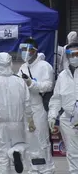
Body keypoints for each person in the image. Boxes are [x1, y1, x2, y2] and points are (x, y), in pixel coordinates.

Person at [0, 52, 35, 174]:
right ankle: (15, 153)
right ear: (10, 64)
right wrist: (30, 121)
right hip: (17, 123)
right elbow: (27, 103)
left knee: (2, 154)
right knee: (18, 146)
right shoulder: (20, 82)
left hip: (0, 125)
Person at [17, 39, 55, 174]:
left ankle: (46, 169)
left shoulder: (45, 66)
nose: (25, 53)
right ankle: (33, 168)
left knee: (41, 139)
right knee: (29, 139)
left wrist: (31, 83)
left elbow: (48, 86)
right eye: (23, 50)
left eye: (28, 50)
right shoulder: (23, 67)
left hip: (38, 107)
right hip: (26, 108)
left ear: (35, 51)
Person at [49, 42, 78, 172]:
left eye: (76, 53)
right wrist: (52, 115)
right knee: (72, 152)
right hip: (68, 119)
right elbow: (56, 98)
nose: (73, 57)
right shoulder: (62, 76)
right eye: (70, 54)